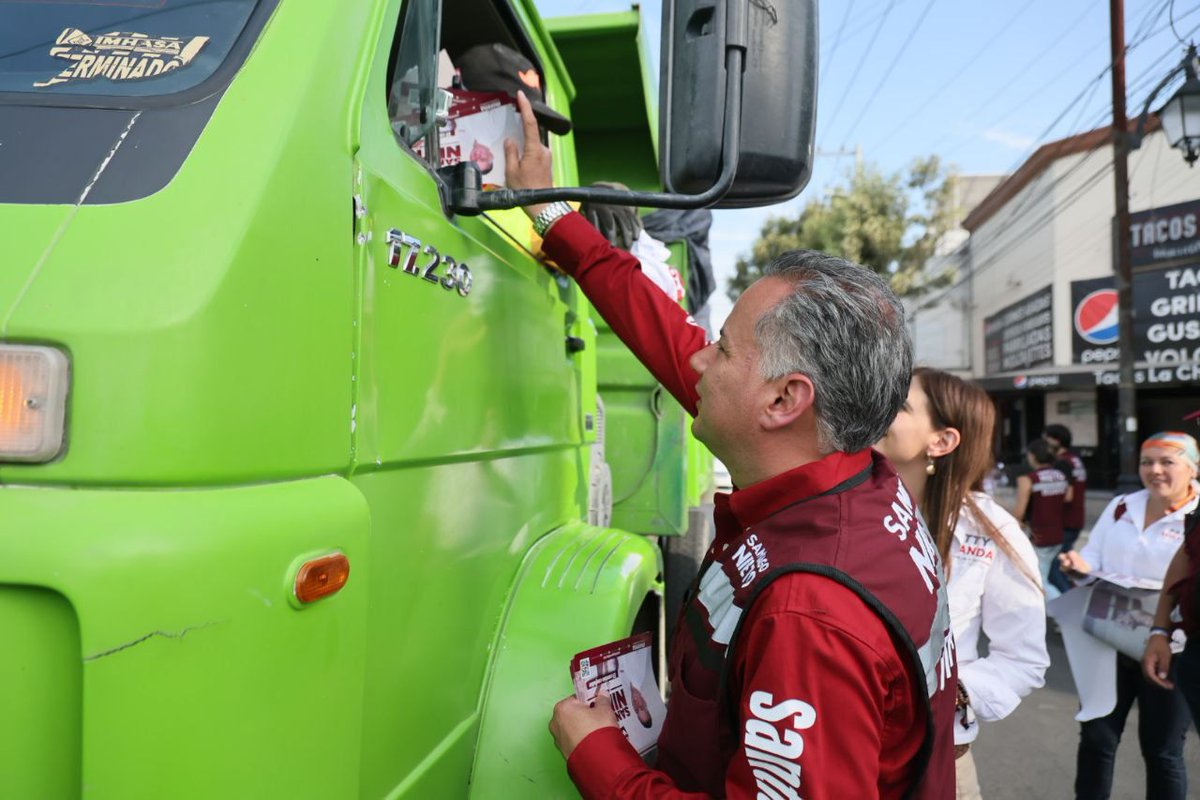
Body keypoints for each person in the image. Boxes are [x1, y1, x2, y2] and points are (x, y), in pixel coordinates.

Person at [503, 92, 957, 798]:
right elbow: (659, 328)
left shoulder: (810, 618)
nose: (695, 362)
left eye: (721, 349)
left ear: (784, 401)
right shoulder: (847, 474)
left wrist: (598, 757)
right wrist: (553, 216)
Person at [876, 367, 1048, 800]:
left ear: (942, 441)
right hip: (831, 754)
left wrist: (952, 692)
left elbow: (1024, 659)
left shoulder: (991, 531)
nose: (877, 409)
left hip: (937, 766)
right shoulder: (842, 506)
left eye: (898, 405)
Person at [1059, 432, 1198, 800]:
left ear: (1192, 467)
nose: (1154, 471)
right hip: (1107, 641)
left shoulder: (1196, 514)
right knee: (1096, 740)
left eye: (1167, 462)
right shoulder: (1123, 505)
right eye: (1146, 462)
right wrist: (1078, 565)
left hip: (1172, 648)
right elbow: (1095, 560)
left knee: (1162, 751)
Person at [1013, 438, 1071, 598]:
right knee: (1044, 574)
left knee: (1038, 580)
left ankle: (1061, 609)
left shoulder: (1028, 479)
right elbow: (1067, 497)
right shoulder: (1060, 475)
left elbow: (1019, 512)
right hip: (1057, 534)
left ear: (1032, 456)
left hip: (1038, 535)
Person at [1045, 424, 1088, 593]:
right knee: (1067, 565)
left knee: (1056, 569)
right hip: (1076, 519)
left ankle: (1067, 602)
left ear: (1056, 440)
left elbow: (1067, 495)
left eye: (1046, 438)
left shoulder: (1062, 463)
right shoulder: (1075, 460)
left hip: (1066, 521)